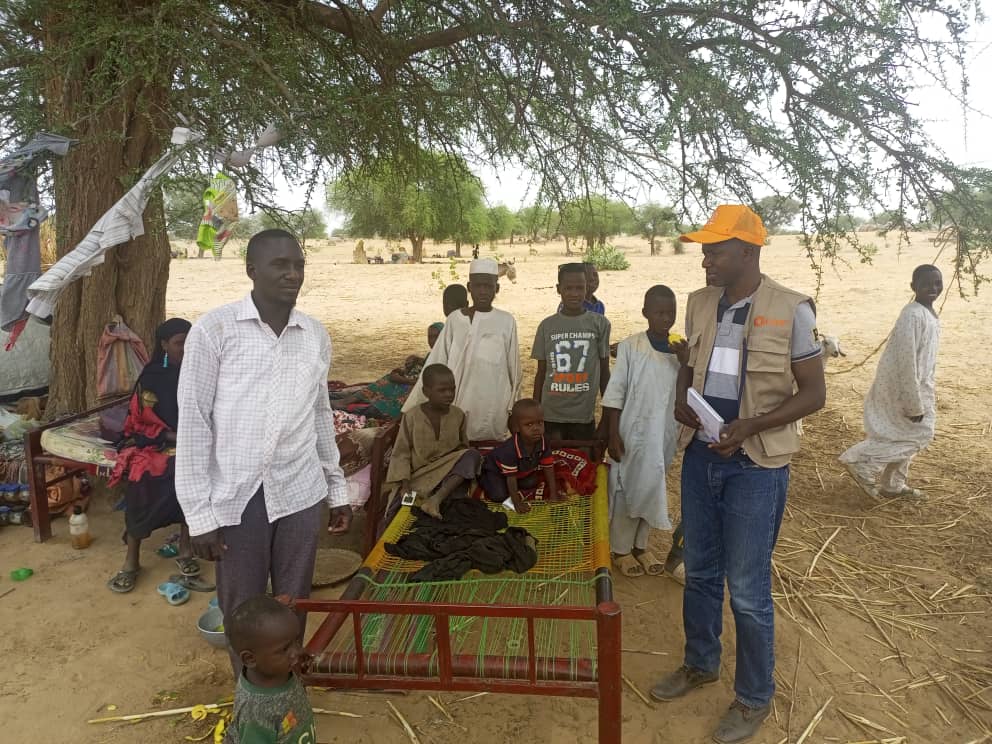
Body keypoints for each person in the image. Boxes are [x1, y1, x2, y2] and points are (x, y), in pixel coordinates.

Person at [650, 205, 825, 744]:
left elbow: (814, 393)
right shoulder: (701, 303)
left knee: (747, 590)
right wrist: (683, 399)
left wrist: (750, 425)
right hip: (703, 456)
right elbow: (688, 365)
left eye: (716, 250)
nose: (706, 258)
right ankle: (700, 663)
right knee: (700, 573)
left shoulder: (791, 308)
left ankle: (753, 696)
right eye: (705, 249)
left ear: (748, 252)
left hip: (757, 465)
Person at [176, 229, 351, 679]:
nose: (292, 274)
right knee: (243, 606)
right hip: (237, 496)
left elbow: (318, 413)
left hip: (300, 490)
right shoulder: (214, 331)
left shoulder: (314, 334)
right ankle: (250, 695)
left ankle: (289, 688)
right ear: (251, 270)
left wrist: (336, 486)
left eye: (298, 264)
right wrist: (199, 515)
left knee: (293, 600)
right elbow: (194, 423)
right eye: (280, 265)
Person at [106, 318, 206, 594]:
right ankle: (131, 562)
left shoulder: (198, 372)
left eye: (189, 342)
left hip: (191, 445)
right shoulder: (153, 377)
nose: (185, 348)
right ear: (164, 345)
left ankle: (185, 551)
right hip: (155, 444)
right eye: (178, 343)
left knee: (194, 484)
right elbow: (139, 422)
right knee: (144, 485)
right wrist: (174, 437)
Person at [839, 265, 942, 500]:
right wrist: (913, 402)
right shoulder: (913, 314)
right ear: (913, 287)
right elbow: (906, 361)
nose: (933, 288)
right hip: (903, 388)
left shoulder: (926, 313)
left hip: (919, 387)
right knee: (919, 434)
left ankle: (893, 484)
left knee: (905, 433)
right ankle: (861, 462)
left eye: (937, 282)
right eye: (926, 283)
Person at [602, 286, 684, 579]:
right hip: (632, 432)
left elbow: (687, 389)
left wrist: (685, 360)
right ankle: (620, 549)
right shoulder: (631, 347)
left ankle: (640, 545)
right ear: (645, 313)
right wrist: (613, 434)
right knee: (626, 488)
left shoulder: (680, 351)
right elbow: (615, 393)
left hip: (663, 434)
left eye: (671, 313)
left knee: (652, 486)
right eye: (659, 312)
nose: (666, 318)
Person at [403, 258, 522, 441]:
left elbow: (514, 368)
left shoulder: (506, 321)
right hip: (457, 398)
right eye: (478, 286)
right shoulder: (454, 320)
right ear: (469, 287)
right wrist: (413, 406)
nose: (483, 291)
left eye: (488, 286)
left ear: (496, 288)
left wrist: (514, 405)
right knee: (457, 440)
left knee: (490, 445)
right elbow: (437, 360)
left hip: (493, 401)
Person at [385, 364, 482, 519]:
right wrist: (405, 485)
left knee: (472, 455)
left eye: (452, 389)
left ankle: (435, 500)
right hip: (419, 476)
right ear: (426, 392)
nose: (449, 394)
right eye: (442, 390)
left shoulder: (458, 415)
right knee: (396, 515)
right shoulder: (412, 417)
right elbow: (401, 454)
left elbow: (463, 449)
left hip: (447, 475)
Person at [532, 262, 611, 441]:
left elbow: (604, 371)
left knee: (582, 462)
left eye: (580, 288)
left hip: (583, 415)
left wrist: (607, 417)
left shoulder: (600, 324)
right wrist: (536, 412)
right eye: (568, 288)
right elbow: (541, 373)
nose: (574, 294)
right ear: (559, 289)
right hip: (550, 414)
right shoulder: (546, 326)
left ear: (587, 288)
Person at [224, 594, 316, 744]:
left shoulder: (276, 669)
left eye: (297, 640)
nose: (296, 653)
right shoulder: (256, 712)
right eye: (285, 648)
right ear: (250, 659)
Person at [331, 322, 443, 420]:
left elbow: (429, 382)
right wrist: (417, 360)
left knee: (390, 385)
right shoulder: (434, 353)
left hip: (421, 390)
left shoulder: (443, 357)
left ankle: (351, 403)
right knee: (387, 382)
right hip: (415, 384)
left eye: (436, 336)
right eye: (430, 337)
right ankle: (347, 400)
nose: (432, 340)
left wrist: (403, 380)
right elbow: (426, 366)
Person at [478, 398, 560, 514]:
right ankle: (482, 478)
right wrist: (516, 503)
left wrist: (553, 494)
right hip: (496, 471)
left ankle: (509, 487)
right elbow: (510, 478)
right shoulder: (509, 450)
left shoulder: (543, 441)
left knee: (532, 482)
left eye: (540, 422)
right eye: (529, 424)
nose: (536, 428)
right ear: (516, 427)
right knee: (498, 496)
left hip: (518, 472)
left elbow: (548, 467)